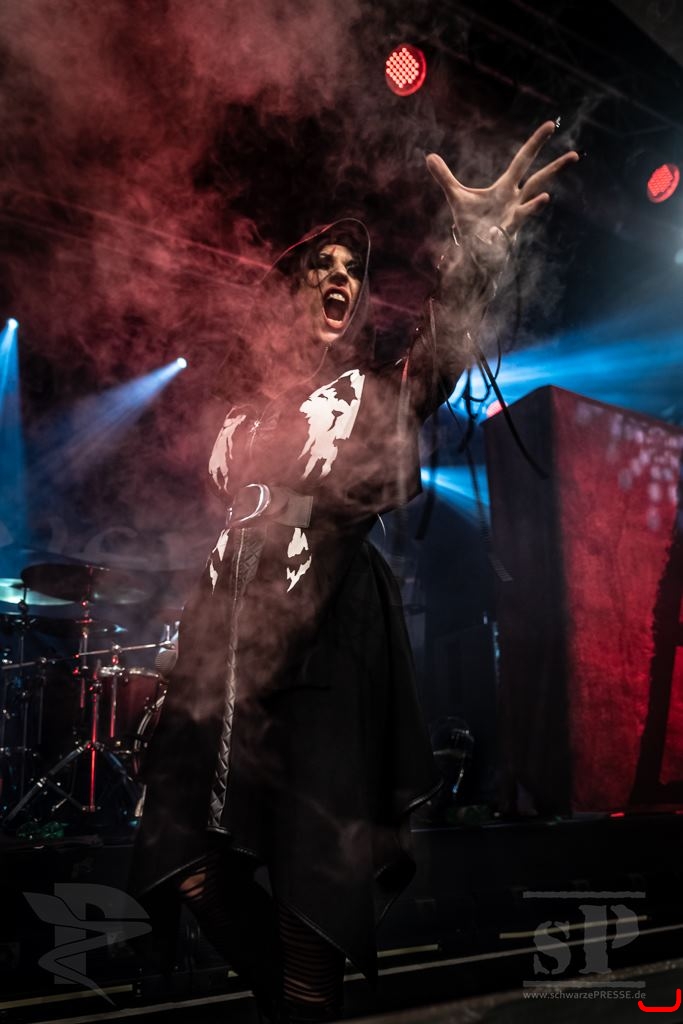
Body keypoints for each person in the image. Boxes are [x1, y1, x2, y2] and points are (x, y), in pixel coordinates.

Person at [128, 122, 578, 1022]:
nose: (340, 276)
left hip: (329, 634)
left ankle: (304, 1006)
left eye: (352, 269)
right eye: (321, 265)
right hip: (228, 645)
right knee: (179, 857)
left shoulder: (368, 392)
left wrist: (477, 256)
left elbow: (437, 362)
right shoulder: (244, 407)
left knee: (311, 887)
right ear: (290, 288)